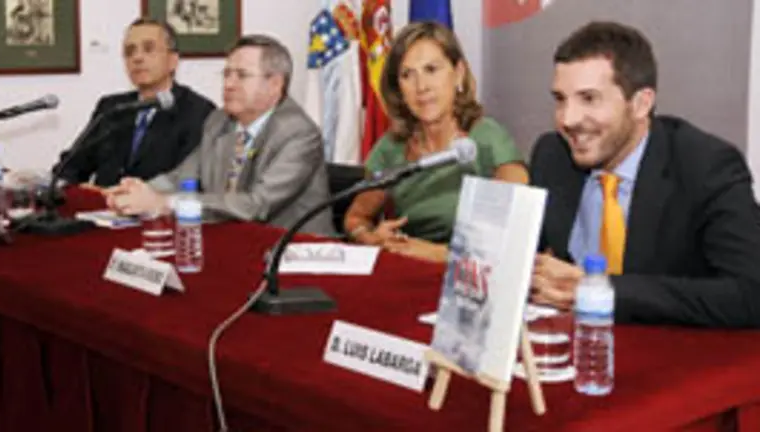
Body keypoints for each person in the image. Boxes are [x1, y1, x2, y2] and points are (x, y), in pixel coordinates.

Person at [529, 21, 760, 328]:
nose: (567, 119)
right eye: (560, 99)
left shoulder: (705, 166)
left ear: (640, 104)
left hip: (674, 358)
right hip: (574, 353)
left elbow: (750, 294)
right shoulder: (552, 155)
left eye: (589, 99)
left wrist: (602, 291)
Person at [105, 35, 334, 236]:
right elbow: (181, 177)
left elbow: (255, 205)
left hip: (296, 255)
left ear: (275, 84)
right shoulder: (219, 121)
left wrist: (164, 203)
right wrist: (137, 190)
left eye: (242, 75)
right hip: (236, 243)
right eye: (227, 74)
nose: (229, 84)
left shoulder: (298, 133)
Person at [343, 21, 528, 262]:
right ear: (398, 88)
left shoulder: (489, 140)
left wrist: (437, 255)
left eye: (431, 70)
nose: (422, 87)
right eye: (407, 75)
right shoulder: (391, 148)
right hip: (408, 272)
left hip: (472, 281)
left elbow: (514, 235)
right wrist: (370, 238)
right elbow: (355, 219)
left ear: (458, 73)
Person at [53, 18, 215, 187]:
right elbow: (71, 166)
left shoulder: (198, 112)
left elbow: (188, 182)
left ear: (173, 60)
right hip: (101, 211)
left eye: (148, 49)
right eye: (130, 51)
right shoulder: (111, 108)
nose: (137, 58)